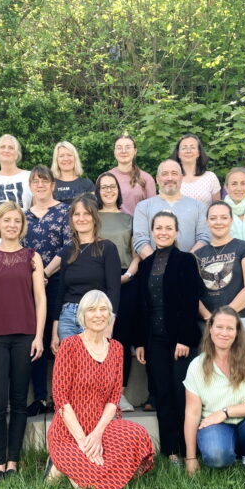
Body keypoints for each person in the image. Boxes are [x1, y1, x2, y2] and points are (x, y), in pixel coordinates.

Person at [45, 290, 154, 489]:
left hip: (102, 427)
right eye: (92, 310)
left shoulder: (116, 348)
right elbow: (61, 399)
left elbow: (114, 398)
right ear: (82, 315)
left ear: (109, 315)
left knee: (137, 434)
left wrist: (96, 435)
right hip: (70, 431)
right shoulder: (70, 345)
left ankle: (78, 467)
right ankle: (60, 464)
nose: (98, 315)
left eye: (103, 309)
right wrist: (83, 441)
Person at [0, 202, 46, 479]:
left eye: (17, 221)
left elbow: (40, 299)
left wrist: (38, 336)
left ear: (22, 225)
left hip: (25, 335)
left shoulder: (32, 257)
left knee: (19, 401)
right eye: (6, 220)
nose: (12, 225)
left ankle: (13, 461)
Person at [134, 211, 205, 464]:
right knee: (162, 394)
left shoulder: (186, 260)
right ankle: (170, 452)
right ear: (152, 232)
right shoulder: (145, 265)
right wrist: (140, 342)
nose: (163, 232)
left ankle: (189, 452)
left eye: (168, 228)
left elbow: (191, 301)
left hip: (180, 340)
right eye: (159, 228)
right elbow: (141, 306)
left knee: (181, 395)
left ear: (176, 232)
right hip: (154, 340)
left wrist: (184, 338)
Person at [183, 306, 245, 477]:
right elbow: (192, 413)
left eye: (230, 328)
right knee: (217, 456)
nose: (224, 333)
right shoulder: (197, 366)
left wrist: (225, 412)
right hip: (216, 426)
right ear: (210, 329)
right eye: (219, 327)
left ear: (237, 332)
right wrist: (191, 458)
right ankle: (234, 457)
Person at [23, 165, 70, 416]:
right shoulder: (24, 216)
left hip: (58, 280)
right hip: (29, 284)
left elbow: (68, 246)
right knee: (37, 337)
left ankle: (62, 398)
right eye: (35, 181)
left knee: (58, 337)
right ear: (30, 185)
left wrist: (45, 273)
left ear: (52, 185)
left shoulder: (64, 211)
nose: (40, 185)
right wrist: (34, 277)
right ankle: (40, 397)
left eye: (44, 181)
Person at [51, 197, 121, 353]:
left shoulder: (107, 248)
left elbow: (114, 290)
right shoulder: (67, 251)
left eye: (86, 214)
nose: (81, 218)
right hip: (67, 317)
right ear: (71, 219)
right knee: (69, 365)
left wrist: (109, 326)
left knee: (91, 365)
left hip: (95, 316)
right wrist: (55, 331)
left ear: (94, 218)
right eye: (77, 214)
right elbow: (61, 292)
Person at [95, 172, 139, 412]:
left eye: (112, 186)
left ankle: (119, 394)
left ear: (118, 191)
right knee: (98, 337)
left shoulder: (128, 219)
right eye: (104, 187)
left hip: (125, 280)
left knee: (121, 338)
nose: (108, 190)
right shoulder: (92, 217)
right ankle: (98, 394)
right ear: (97, 191)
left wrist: (128, 275)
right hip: (98, 281)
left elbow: (136, 253)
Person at [195, 201, 245, 347]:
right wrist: (208, 317)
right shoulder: (198, 255)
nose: (218, 222)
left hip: (240, 320)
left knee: (243, 362)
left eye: (224, 217)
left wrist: (224, 316)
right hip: (209, 324)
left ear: (231, 220)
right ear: (207, 222)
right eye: (213, 218)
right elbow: (193, 293)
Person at [132, 159, 210, 257]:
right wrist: (157, 262)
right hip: (153, 265)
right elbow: (140, 240)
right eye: (164, 174)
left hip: (190, 265)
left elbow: (204, 238)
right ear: (157, 179)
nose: (170, 178)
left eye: (174, 173)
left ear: (181, 178)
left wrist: (187, 261)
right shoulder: (143, 207)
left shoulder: (199, 206)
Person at [108, 134, 156, 216]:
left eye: (128, 147)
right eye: (119, 148)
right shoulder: (106, 178)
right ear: (114, 152)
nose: (123, 151)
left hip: (138, 224)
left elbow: (152, 211)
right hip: (111, 223)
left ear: (135, 151)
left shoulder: (146, 178)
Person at [0, 134, 32, 210]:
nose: (6, 150)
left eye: (11, 148)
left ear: (17, 154)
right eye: (2, 147)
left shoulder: (29, 177)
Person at [170, 134, 221, 207]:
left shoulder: (210, 177)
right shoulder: (170, 178)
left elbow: (218, 208)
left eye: (193, 147)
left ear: (198, 153)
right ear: (178, 154)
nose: (188, 151)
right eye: (184, 148)